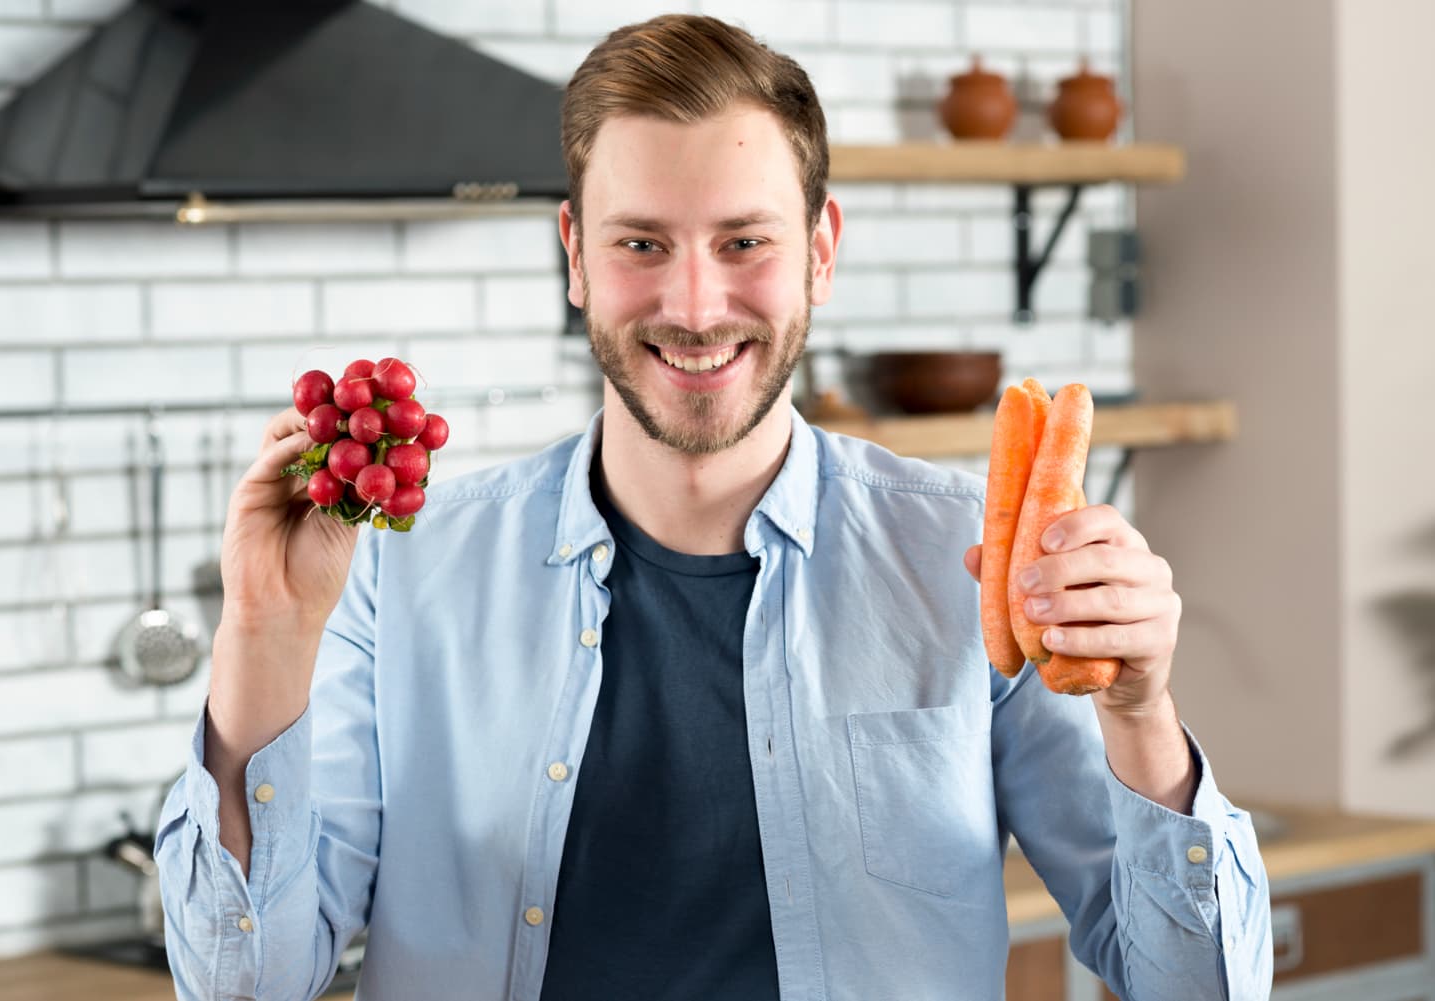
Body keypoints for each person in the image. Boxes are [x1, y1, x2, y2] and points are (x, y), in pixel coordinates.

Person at [156, 14, 1273, 1001]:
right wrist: (265, 630)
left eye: (745, 242)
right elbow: (248, 982)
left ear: (820, 253)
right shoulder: (399, 572)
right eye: (643, 243)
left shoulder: (969, 558)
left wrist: (1141, 712)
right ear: (577, 258)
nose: (695, 304)